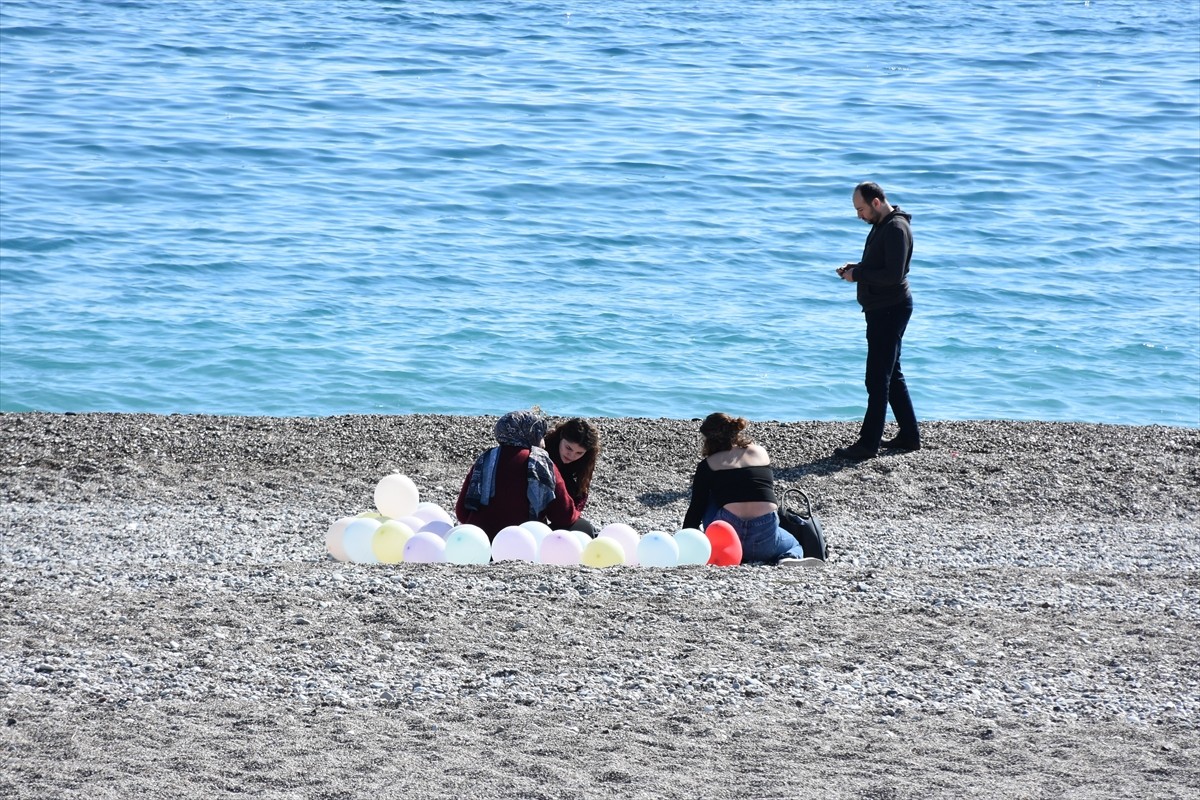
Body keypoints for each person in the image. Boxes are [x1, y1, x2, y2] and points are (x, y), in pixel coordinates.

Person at [833, 181, 922, 461]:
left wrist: (857, 276)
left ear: (875, 202)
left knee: (877, 378)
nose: (859, 215)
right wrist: (857, 268)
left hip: (889, 309)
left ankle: (868, 444)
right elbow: (881, 265)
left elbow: (893, 275)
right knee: (891, 374)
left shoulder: (895, 228)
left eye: (860, 209)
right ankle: (909, 435)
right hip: (883, 308)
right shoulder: (884, 224)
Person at [681, 413, 821, 566]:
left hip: (727, 539)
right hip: (765, 534)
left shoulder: (708, 464)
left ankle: (728, 552)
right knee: (794, 545)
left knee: (709, 497)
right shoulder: (760, 453)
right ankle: (788, 557)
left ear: (708, 438)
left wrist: (686, 542)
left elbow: (696, 508)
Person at [455, 410, 580, 539]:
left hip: (478, 540)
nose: (543, 442)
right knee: (583, 527)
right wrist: (576, 514)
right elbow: (563, 515)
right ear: (532, 433)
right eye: (541, 434)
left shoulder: (485, 458)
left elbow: (462, 512)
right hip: (524, 541)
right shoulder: (540, 461)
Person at [543, 418, 601, 536]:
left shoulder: (587, 457)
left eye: (579, 453)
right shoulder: (545, 446)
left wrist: (574, 515)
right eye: (568, 448)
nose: (572, 455)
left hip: (565, 479)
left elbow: (582, 489)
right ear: (561, 436)